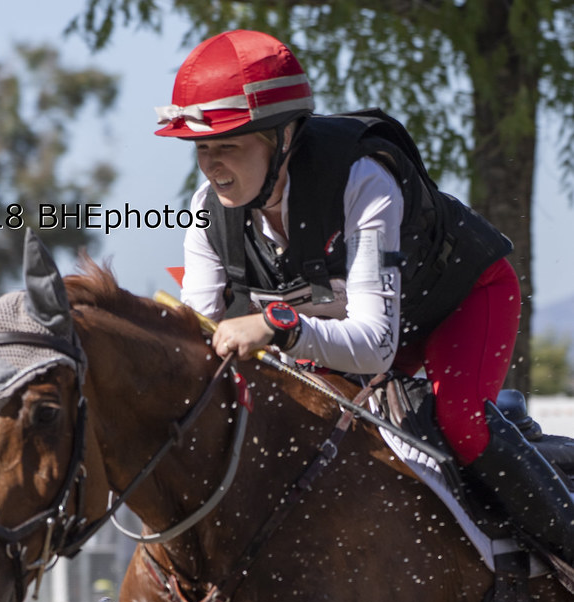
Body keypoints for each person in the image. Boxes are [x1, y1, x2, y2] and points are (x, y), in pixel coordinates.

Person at [155, 28, 574, 568]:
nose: (212, 167)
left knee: (458, 421)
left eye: (228, 146)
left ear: (284, 137)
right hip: (354, 320)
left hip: (462, 303)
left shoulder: (363, 179)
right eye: (202, 150)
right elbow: (201, 335)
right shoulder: (207, 213)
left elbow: (376, 345)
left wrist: (279, 326)